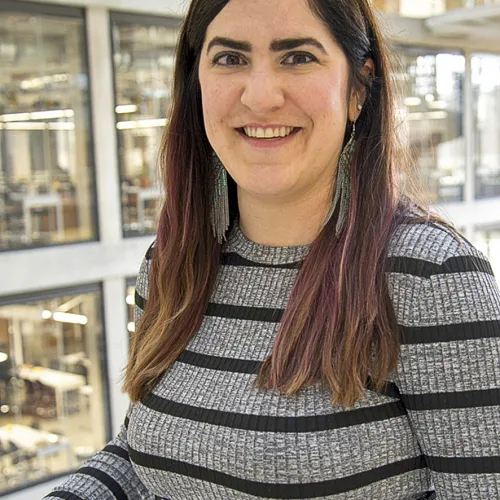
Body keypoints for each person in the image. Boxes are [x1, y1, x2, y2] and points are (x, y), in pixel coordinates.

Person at [44, 0, 500, 498]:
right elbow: (145, 453)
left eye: (298, 57)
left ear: (358, 88)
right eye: (230, 59)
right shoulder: (170, 264)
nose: (260, 97)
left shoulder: (431, 276)